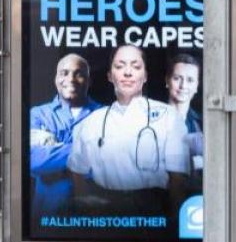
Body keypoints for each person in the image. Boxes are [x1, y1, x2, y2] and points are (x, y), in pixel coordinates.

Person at [68, 45, 189, 216]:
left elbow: (178, 179)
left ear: (145, 76)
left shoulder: (168, 116)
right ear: (110, 76)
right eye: (120, 66)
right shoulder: (91, 122)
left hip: (153, 212)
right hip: (105, 214)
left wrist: (175, 227)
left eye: (136, 66)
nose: (128, 73)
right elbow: (77, 172)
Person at [30, 53, 101, 218]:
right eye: (64, 73)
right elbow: (35, 161)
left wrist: (54, 149)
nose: (71, 79)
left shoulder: (105, 115)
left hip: (93, 215)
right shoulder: (38, 114)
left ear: (89, 81)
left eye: (79, 74)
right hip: (47, 217)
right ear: (56, 78)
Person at [165, 53, 203, 192]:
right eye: (177, 78)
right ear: (167, 80)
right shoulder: (150, 119)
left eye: (190, 80)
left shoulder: (203, 124)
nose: (183, 85)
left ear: (197, 86)